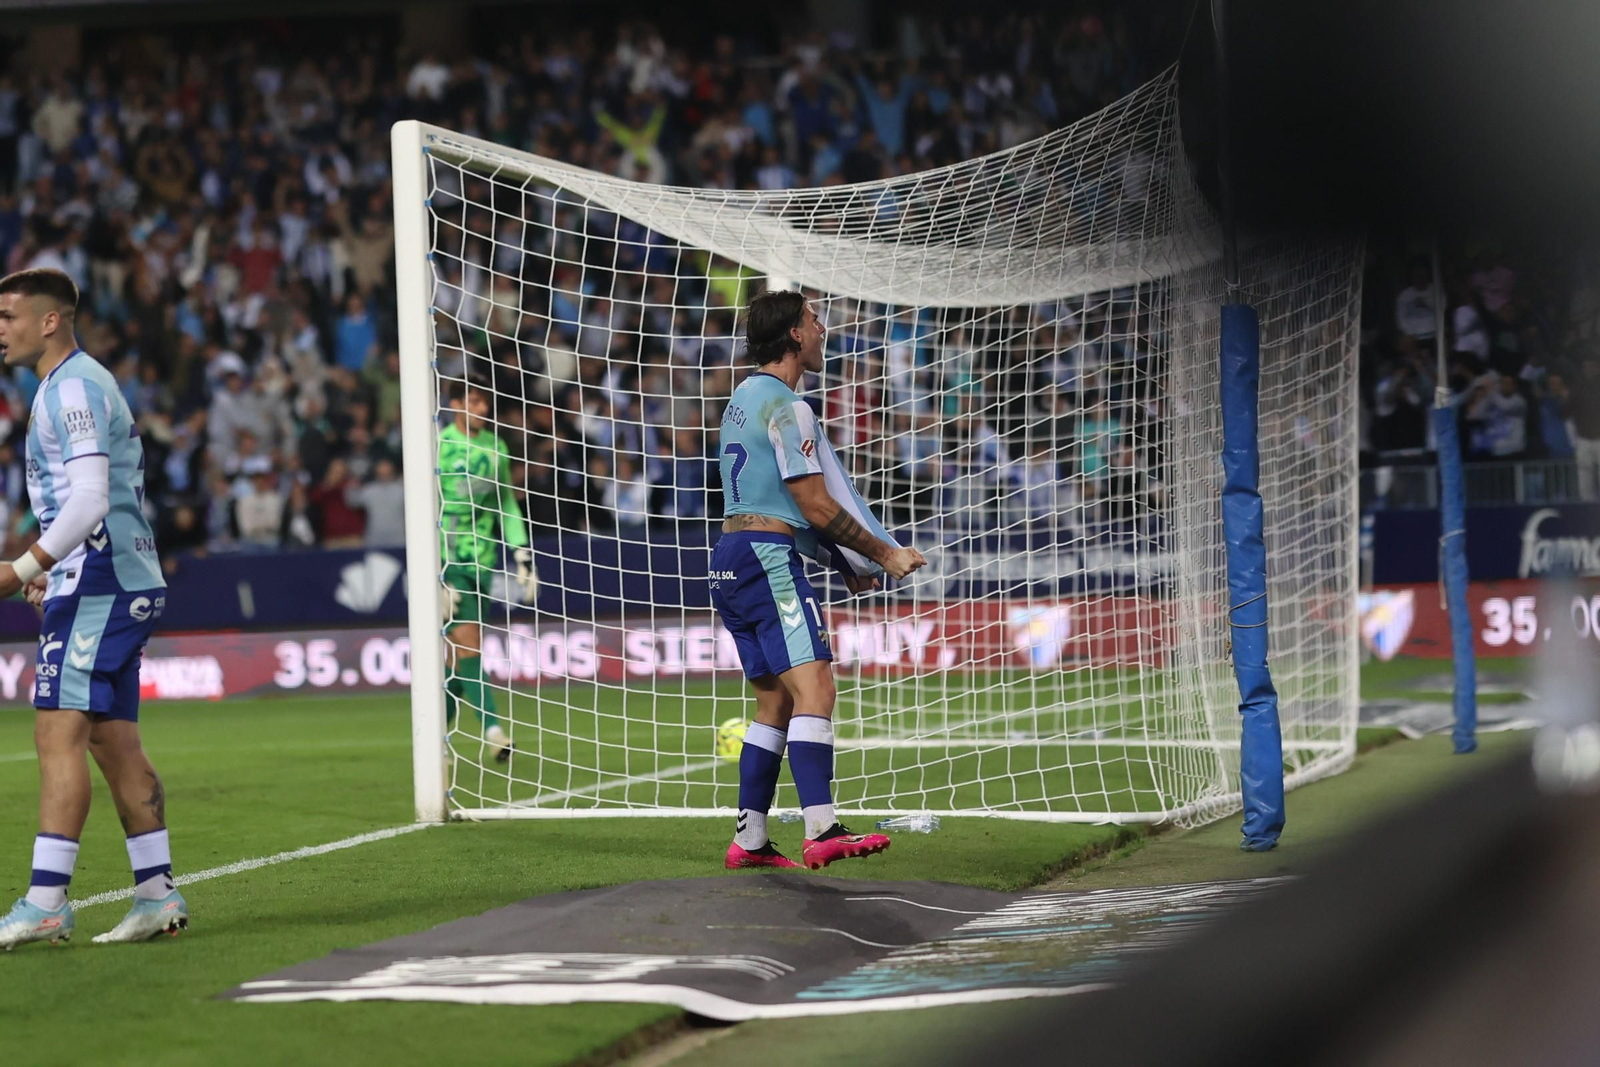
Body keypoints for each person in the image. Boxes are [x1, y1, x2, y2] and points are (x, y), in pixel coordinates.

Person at [0, 268, 185, 949]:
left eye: (8, 315)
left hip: (102, 577)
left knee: (56, 731)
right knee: (112, 737)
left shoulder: (72, 385)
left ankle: (47, 900)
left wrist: (24, 565)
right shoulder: (67, 383)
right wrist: (53, 566)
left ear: (49, 320)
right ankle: (157, 893)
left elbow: (89, 496)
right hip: (113, 571)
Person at [710, 289, 927, 871]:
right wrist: (882, 554)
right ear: (794, 336)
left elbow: (773, 502)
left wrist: (839, 565)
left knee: (773, 704)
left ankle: (749, 839)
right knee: (818, 691)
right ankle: (823, 828)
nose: (823, 326)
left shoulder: (741, 399)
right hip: (767, 560)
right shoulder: (789, 406)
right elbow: (811, 503)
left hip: (730, 557)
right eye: (812, 318)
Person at [438, 376, 535, 763]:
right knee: (469, 646)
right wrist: (435, 574)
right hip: (449, 562)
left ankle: (434, 739)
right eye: (474, 402)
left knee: (456, 661)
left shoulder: (496, 447)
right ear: (457, 405)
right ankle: (494, 732)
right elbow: (424, 506)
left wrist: (522, 552)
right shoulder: (437, 446)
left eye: (485, 402)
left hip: (484, 561)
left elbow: (506, 503)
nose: (482, 409)